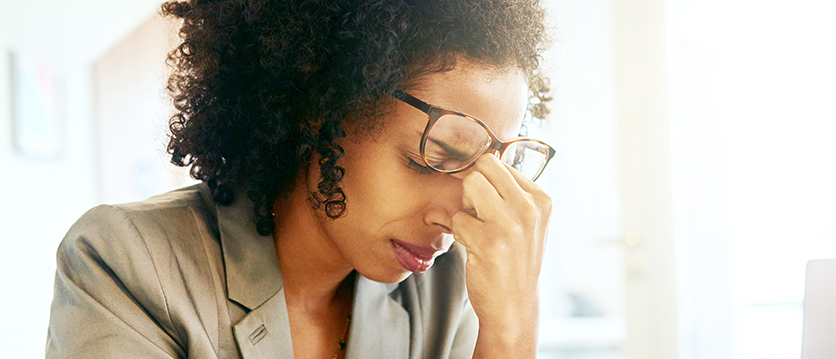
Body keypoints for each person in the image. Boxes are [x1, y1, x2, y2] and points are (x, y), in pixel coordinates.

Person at [45, 0, 555, 358]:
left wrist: (511, 330)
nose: (455, 215)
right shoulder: (126, 262)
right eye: (434, 155)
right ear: (324, 105)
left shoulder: (442, 294)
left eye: (489, 166)